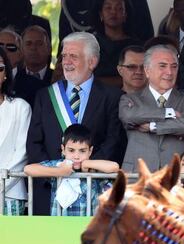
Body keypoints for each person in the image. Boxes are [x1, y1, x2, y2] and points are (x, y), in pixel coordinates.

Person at [26, 32, 126, 215]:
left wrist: (85, 171)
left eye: (73, 56)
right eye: (64, 56)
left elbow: (114, 142)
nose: (66, 61)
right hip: (50, 192)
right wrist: (53, 174)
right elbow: (34, 143)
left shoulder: (112, 97)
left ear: (92, 62)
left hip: (93, 191)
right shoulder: (45, 96)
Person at [118, 44, 184, 173]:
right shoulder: (130, 99)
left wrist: (153, 126)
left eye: (174, 67)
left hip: (177, 178)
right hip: (137, 176)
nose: (169, 72)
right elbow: (129, 116)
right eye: (162, 66)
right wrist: (169, 113)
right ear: (147, 70)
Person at [24, 124, 119, 216]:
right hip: (60, 228)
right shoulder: (59, 165)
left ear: (90, 151)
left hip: (86, 228)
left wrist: (87, 163)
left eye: (82, 151)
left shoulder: (93, 168)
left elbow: (114, 167)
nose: (76, 156)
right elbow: (28, 169)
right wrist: (59, 172)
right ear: (63, 149)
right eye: (71, 150)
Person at [0, 47, 31, 215]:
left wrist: (2, 184)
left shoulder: (20, 107)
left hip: (10, 194)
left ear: (6, 74)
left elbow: (22, 153)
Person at [93, 0, 143, 87]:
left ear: (125, 15)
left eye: (119, 8)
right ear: (101, 14)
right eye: (108, 8)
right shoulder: (91, 44)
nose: (113, 12)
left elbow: (139, 77)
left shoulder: (136, 46)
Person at [14, 25, 53, 108]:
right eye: (28, 44)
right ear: (21, 49)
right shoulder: (14, 79)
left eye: (39, 44)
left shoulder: (57, 78)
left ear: (49, 49)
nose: (33, 48)